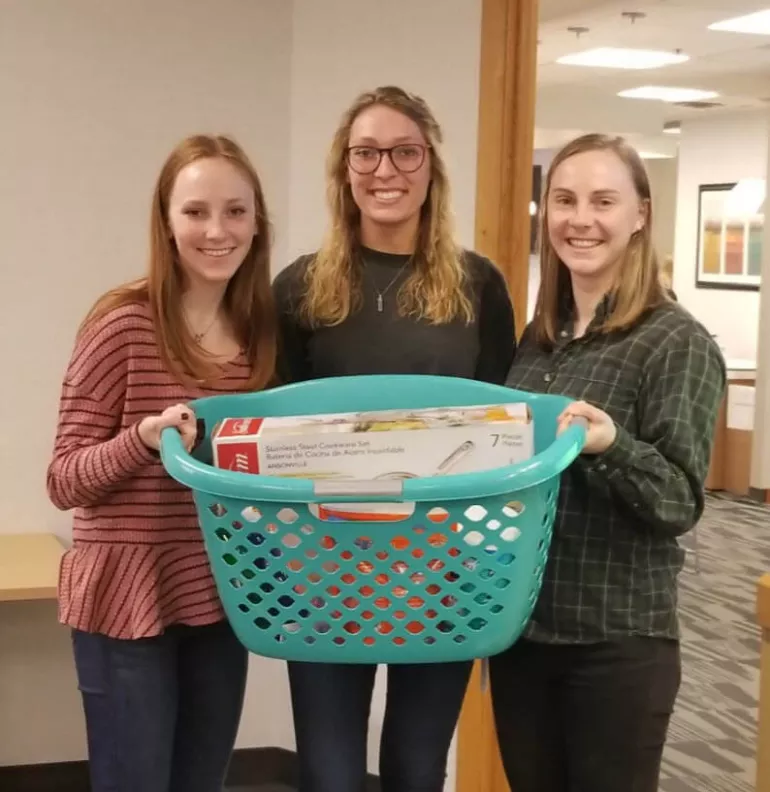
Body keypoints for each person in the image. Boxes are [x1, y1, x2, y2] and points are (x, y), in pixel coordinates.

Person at [273, 85, 516, 792]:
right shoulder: (299, 289)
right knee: (331, 775)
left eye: (405, 152)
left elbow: (506, 423)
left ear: (430, 166)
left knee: (415, 769)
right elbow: (269, 426)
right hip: (326, 572)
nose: (386, 170)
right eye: (367, 153)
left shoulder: (478, 285)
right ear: (343, 170)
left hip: (446, 572)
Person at [491, 133, 725, 792]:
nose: (580, 219)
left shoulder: (674, 342)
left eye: (603, 200)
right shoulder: (536, 346)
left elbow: (679, 501)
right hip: (524, 633)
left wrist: (611, 445)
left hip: (615, 645)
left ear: (640, 215)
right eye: (563, 200)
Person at [46, 134, 276, 792]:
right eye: (196, 211)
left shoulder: (260, 335)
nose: (216, 230)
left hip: (219, 592)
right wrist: (141, 440)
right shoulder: (122, 323)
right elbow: (63, 479)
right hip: (126, 598)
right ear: (167, 222)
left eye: (236, 211)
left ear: (258, 224)